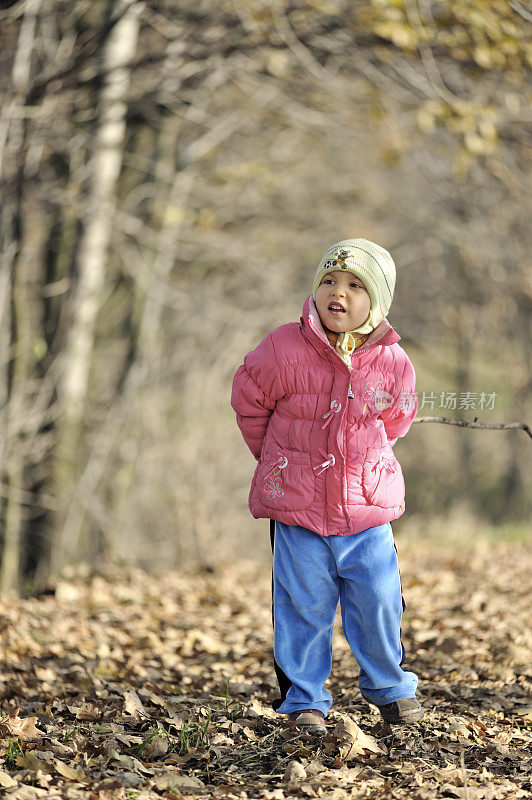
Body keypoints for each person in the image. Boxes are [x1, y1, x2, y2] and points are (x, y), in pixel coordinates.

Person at [231, 238, 422, 733]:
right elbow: (250, 401)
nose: (338, 293)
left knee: (378, 599)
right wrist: (275, 460)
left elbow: (398, 419)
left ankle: (390, 688)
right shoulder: (281, 347)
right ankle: (305, 700)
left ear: (376, 302)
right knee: (302, 605)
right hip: (298, 509)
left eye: (356, 286)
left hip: (365, 510)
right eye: (329, 281)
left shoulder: (393, 361)